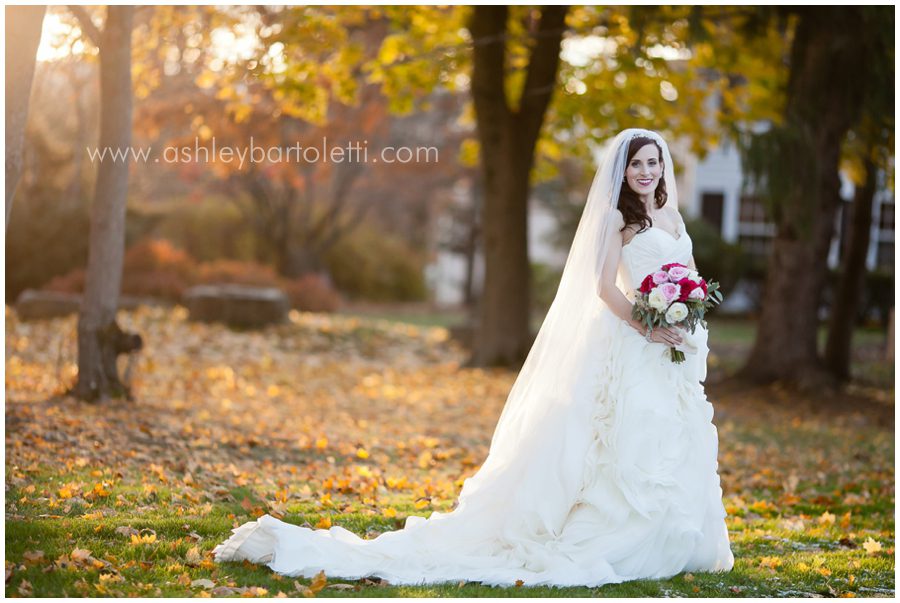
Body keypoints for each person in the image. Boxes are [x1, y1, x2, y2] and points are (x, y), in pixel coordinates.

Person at [212, 128, 735, 588]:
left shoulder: (670, 215)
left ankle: (674, 539)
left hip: (674, 349)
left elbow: (686, 273)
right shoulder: (618, 221)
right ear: (623, 172)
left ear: (662, 167)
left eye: (653, 162)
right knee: (626, 444)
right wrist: (647, 323)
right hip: (632, 343)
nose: (646, 171)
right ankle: (618, 535)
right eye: (637, 163)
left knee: (671, 440)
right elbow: (603, 288)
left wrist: (681, 316)